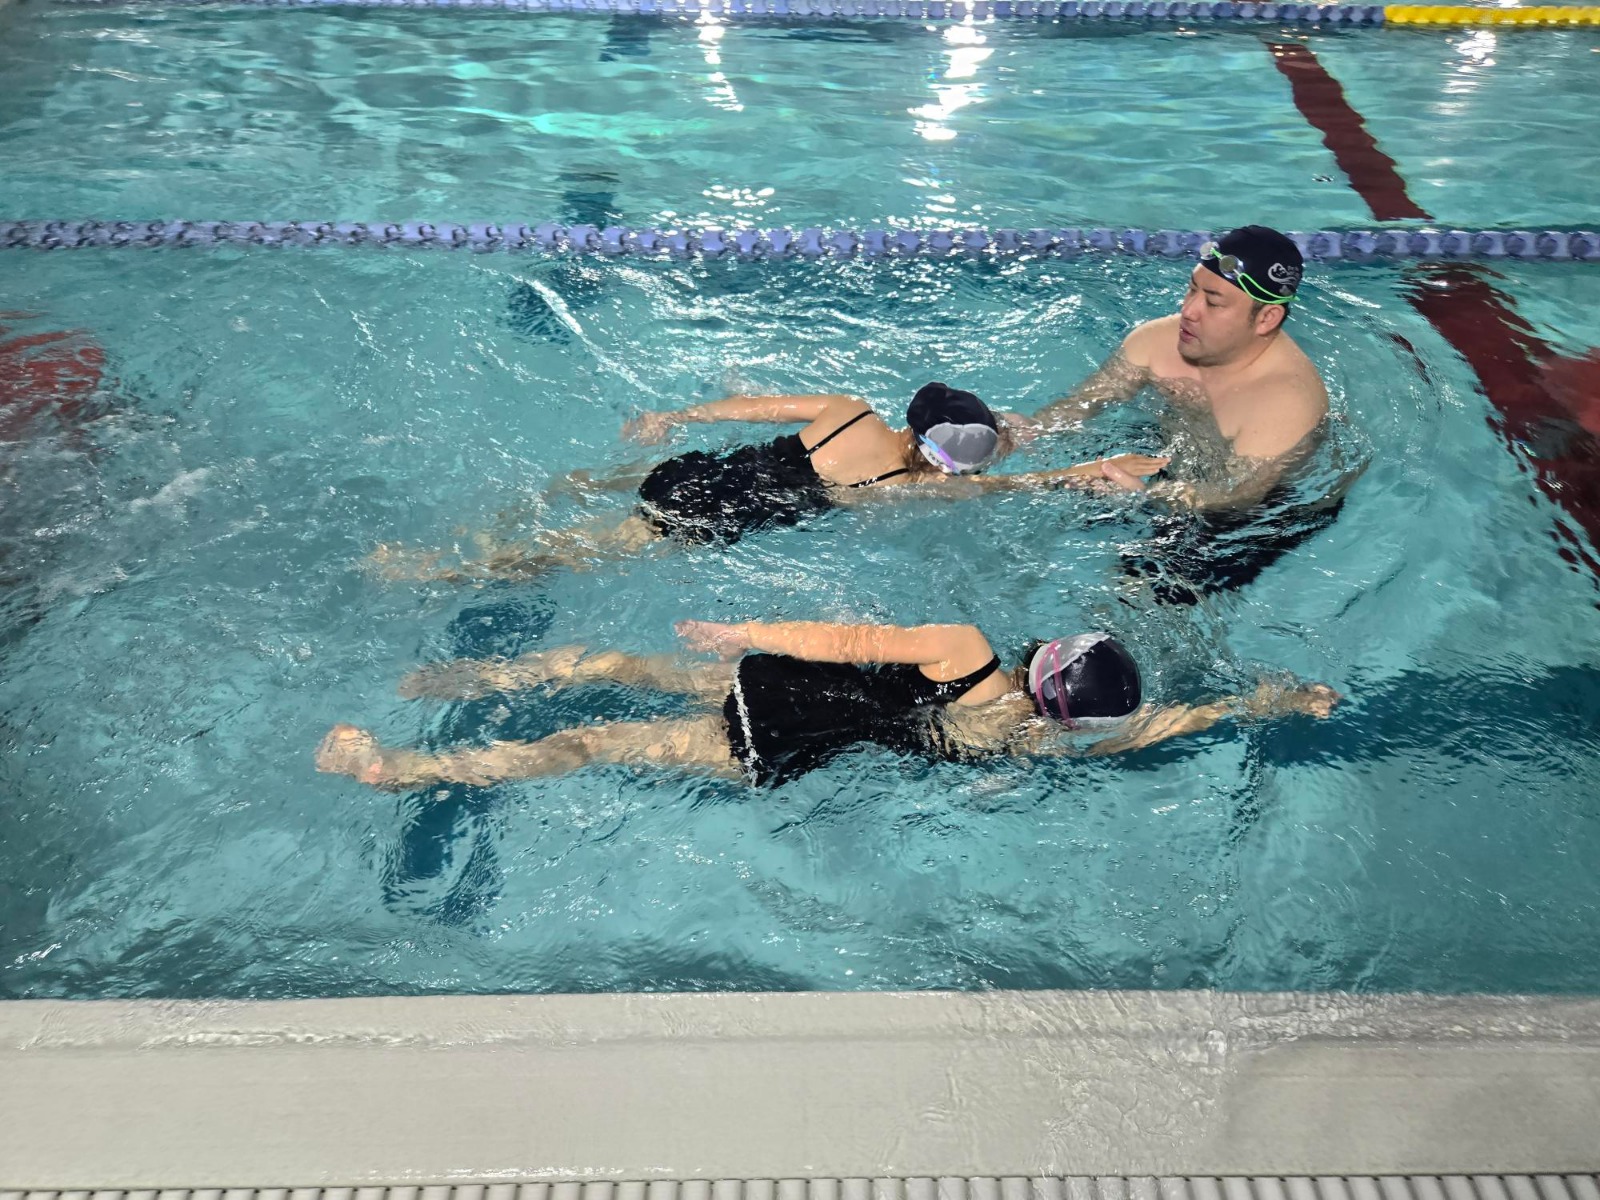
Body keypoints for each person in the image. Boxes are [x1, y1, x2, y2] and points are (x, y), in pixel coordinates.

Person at [315, 617, 1340, 790]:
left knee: (611, 668)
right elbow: (1163, 725)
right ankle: (405, 764)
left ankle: (435, 706)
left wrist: (741, 628)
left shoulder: (967, 651)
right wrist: (1267, 701)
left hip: (781, 685)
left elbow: (849, 643)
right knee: (593, 744)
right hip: (778, 751)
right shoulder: (1031, 746)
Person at [369, 382, 1168, 582]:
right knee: (570, 555)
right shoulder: (907, 485)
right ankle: (439, 571)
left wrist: (676, 415)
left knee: (583, 485)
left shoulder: (850, 411)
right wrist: (1086, 473)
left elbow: (753, 408)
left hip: (703, 469)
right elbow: (1009, 488)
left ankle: (472, 531)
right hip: (721, 516)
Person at [1014, 225, 1330, 511]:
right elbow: (1079, 406)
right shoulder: (1156, 340)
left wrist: (1144, 499)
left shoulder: (1285, 404)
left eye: (1213, 303)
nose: (1188, 311)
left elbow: (1232, 500)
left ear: (1266, 319)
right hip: (1169, 454)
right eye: (1192, 289)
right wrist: (1027, 430)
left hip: (1261, 516)